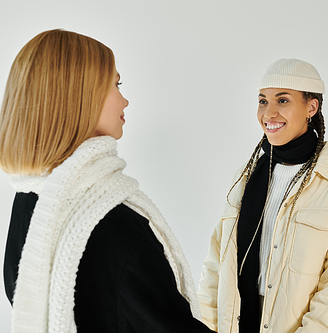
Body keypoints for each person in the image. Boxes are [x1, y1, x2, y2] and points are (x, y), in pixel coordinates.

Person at [0, 29, 214, 333]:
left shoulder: (30, 204)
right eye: (116, 84)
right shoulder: (113, 228)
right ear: (78, 96)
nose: (124, 100)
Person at [198, 59, 328, 332]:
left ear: (311, 107)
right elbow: (216, 266)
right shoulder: (246, 176)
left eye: (283, 101)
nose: (269, 113)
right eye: (263, 101)